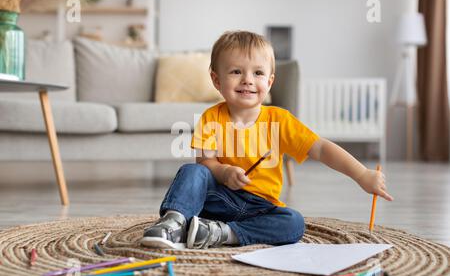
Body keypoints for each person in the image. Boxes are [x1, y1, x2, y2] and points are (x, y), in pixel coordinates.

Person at [141, 30, 393, 250]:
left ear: (269, 81)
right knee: (192, 171)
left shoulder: (280, 120)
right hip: (218, 200)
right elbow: (206, 163)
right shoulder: (211, 117)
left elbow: (321, 148)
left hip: (260, 207)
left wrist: (361, 174)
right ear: (217, 80)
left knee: (293, 223)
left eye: (258, 73)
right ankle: (173, 222)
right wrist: (224, 171)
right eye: (236, 71)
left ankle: (221, 234)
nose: (248, 79)